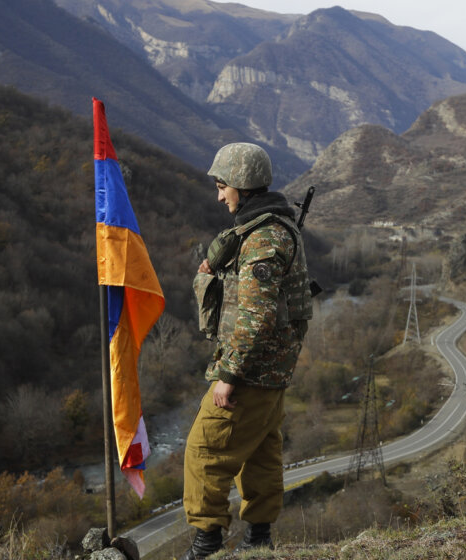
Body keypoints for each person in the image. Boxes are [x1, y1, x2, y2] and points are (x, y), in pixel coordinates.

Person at [182, 143, 313, 559]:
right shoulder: (269, 229)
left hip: (251, 372)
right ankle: (259, 542)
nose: (220, 196)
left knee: (204, 451)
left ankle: (206, 545)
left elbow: (255, 316)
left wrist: (229, 375)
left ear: (242, 185)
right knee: (260, 452)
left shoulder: (263, 238)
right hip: (270, 371)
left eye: (223, 186)